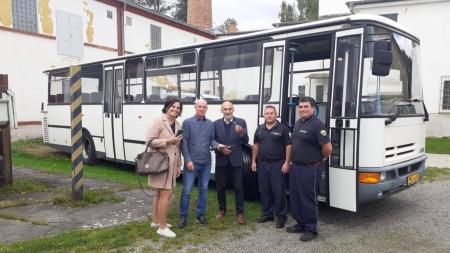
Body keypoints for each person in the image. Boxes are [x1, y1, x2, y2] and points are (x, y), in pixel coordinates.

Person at [286, 96, 332, 242]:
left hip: (310, 168)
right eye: (300, 107)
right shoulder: (299, 122)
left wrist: (320, 159)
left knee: (308, 199)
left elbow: (327, 148)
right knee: (296, 197)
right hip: (296, 167)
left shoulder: (317, 124)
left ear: (313, 108)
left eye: (306, 106)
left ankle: (311, 228)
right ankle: (300, 223)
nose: (303, 109)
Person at [178, 99, 220, 228]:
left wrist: (218, 146)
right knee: (187, 190)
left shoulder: (210, 124)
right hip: (192, 163)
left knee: (204, 189)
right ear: (195, 107)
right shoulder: (187, 123)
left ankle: (200, 214)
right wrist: (188, 160)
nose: (202, 109)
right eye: (200, 106)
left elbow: (212, 140)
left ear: (207, 109)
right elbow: (184, 143)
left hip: (206, 162)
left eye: (204, 107)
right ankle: (183, 216)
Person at [145, 98, 183, 238]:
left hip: (172, 165)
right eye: (173, 106)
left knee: (160, 194)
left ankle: (156, 221)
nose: (175, 109)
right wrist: (168, 141)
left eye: (178, 108)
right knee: (165, 194)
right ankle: (162, 227)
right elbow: (149, 141)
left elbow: (177, 147)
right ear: (167, 107)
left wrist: (178, 165)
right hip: (160, 164)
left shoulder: (178, 124)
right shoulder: (158, 121)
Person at [251, 105, 291, 228]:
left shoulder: (282, 129)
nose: (269, 115)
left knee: (278, 191)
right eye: (267, 113)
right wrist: (253, 161)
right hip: (262, 164)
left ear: (276, 114)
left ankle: (281, 216)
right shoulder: (259, 129)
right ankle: (267, 214)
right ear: (264, 115)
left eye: (271, 113)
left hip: (277, 164)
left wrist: (286, 162)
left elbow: (288, 146)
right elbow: (256, 145)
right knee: (264, 190)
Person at [213, 101, 249, 225]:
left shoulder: (241, 122)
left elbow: (245, 141)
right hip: (221, 159)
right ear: (221, 110)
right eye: (225, 109)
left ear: (233, 110)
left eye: (229, 109)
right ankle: (222, 210)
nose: (227, 111)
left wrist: (241, 133)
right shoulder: (215, 124)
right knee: (220, 187)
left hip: (236, 159)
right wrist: (220, 148)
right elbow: (212, 141)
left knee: (238, 187)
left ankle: (240, 213)